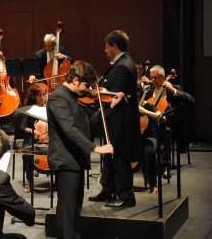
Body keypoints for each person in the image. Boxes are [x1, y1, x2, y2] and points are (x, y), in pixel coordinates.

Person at [47, 60, 122, 239]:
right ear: (74, 80)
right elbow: (69, 130)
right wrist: (96, 148)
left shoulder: (75, 97)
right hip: (65, 161)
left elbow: (87, 124)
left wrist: (110, 107)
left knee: (75, 208)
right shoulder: (58, 98)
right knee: (67, 209)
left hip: (76, 159)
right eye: (86, 85)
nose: (88, 89)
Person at [88, 30, 141, 207]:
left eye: (106, 47)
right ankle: (109, 190)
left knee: (120, 158)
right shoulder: (122, 63)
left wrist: (98, 115)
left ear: (114, 46)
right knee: (110, 157)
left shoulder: (122, 67)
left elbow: (114, 99)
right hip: (115, 122)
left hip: (121, 123)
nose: (105, 50)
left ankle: (126, 196)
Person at [145, 65, 194, 178]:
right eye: (151, 78)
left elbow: (191, 99)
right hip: (150, 123)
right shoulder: (149, 91)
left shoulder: (173, 89)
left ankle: (165, 165)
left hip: (169, 123)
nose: (153, 80)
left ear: (163, 77)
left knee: (165, 130)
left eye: (156, 77)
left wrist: (173, 90)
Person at [20, 83, 48, 193]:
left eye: (44, 95)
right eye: (39, 95)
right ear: (34, 96)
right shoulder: (30, 109)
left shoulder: (50, 108)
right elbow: (23, 127)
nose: (42, 97)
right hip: (31, 139)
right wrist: (33, 131)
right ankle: (29, 181)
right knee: (28, 153)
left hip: (47, 138)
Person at [138, 84, 165, 193]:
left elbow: (162, 117)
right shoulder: (127, 107)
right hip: (133, 139)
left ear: (139, 93)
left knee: (148, 152)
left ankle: (152, 183)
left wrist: (146, 112)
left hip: (148, 138)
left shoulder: (147, 106)